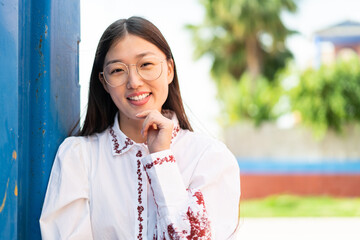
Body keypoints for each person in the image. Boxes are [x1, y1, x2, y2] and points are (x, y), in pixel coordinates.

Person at [39, 16, 240, 240]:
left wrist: (162, 160)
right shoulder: (79, 157)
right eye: (117, 70)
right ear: (104, 82)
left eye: (146, 64)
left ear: (170, 70)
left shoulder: (209, 157)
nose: (134, 81)